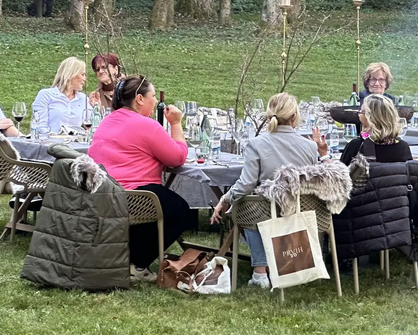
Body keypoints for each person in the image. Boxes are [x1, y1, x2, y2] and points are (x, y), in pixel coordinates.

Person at [210, 93, 329, 288]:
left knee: (248, 205)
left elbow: (246, 184)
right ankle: (290, 264)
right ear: (294, 117)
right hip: (301, 211)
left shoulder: (257, 144)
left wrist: (225, 199)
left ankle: (260, 272)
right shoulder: (310, 146)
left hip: (266, 212)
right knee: (259, 205)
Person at [88, 75, 190, 281]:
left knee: (163, 202)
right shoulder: (146, 125)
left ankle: (127, 258)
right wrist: (176, 124)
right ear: (140, 99)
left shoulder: (107, 120)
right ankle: (138, 263)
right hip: (133, 196)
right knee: (180, 210)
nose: (155, 101)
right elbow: (177, 158)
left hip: (103, 192)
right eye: (152, 96)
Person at [340, 93, 411, 165]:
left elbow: (340, 174)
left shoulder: (357, 146)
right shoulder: (403, 147)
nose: (359, 115)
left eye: (361, 112)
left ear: (369, 118)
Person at [32, 57, 90, 134]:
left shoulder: (83, 98)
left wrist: (95, 106)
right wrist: (54, 137)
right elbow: (39, 126)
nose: (84, 79)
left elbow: (92, 127)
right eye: (82, 74)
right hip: (51, 143)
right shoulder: (46, 95)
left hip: (76, 144)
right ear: (71, 74)